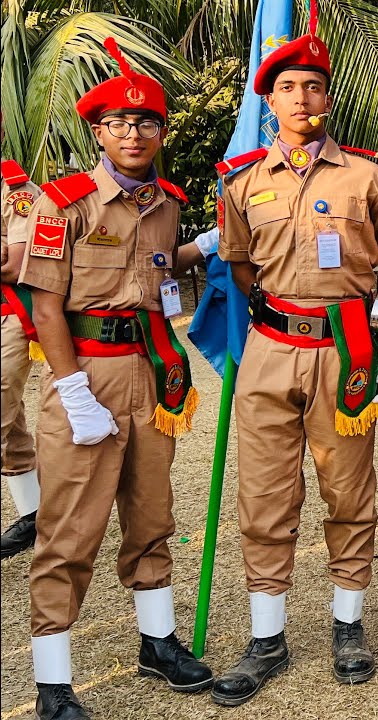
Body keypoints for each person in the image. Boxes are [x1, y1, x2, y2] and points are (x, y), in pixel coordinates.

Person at [211, 1, 378, 704]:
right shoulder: (240, 183)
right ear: (269, 99)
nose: (302, 97)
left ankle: (346, 626)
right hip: (270, 348)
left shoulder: (369, 177)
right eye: (288, 87)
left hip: (346, 350)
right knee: (266, 494)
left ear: (329, 97)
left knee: (348, 493)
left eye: (314, 86)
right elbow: (240, 269)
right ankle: (267, 637)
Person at [18, 38, 214, 720]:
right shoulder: (65, 203)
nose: (134, 133)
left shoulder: (165, 203)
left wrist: (206, 246)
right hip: (86, 377)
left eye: (147, 123)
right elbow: (45, 304)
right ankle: (52, 684)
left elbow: (157, 274)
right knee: (70, 533)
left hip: (151, 374)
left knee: (151, 516)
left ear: (161, 132)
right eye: (120, 124)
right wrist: (71, 392)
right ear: (98, 132)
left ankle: (156, 645)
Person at [1, 158, 41, 559]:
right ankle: (33, 517)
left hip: (11, 315)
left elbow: (13, 266)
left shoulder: (17, 192)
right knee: (11, 424)